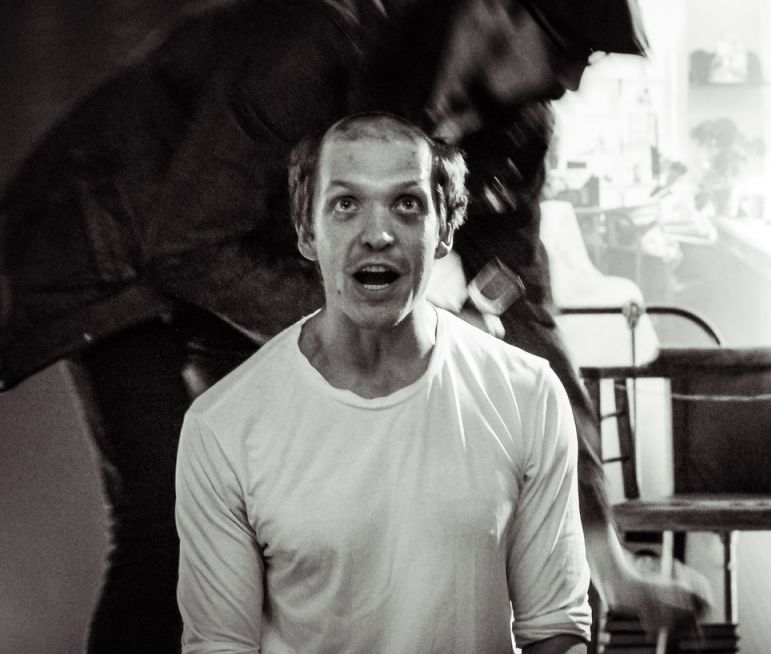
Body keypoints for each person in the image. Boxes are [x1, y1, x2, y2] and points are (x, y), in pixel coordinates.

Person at [0, 0, 707, 650]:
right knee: (173, 516)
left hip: (240, 252)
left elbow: (525, 313)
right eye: (567, 50)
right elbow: (190, 244)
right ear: (498, 11)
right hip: (121, 251)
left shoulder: (516, 131)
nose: (572, 81)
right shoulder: (319, 46)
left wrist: (601, 547)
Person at [176, 112, 591, 653]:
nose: (377, 235)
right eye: (346, 204)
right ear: (307, 232)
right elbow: (219, 646)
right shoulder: (223, 426)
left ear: (445, 231)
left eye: (407, 204)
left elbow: (555, 628)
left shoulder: (527, 395)